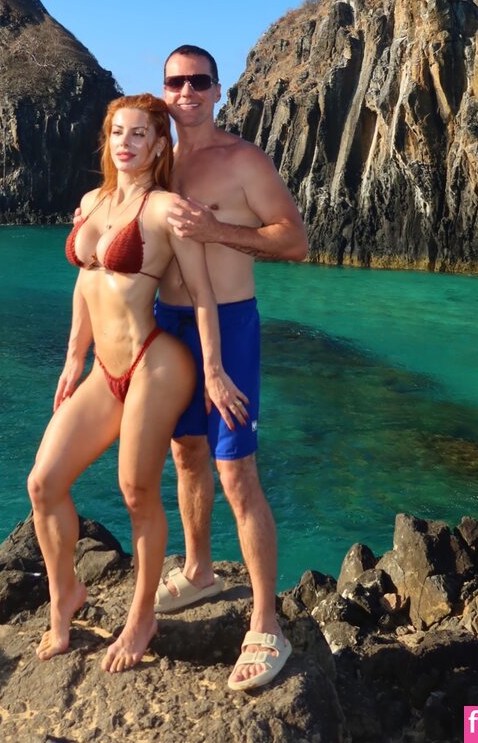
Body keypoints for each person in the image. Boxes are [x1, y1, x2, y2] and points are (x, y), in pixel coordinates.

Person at [27, 93, 236, 672]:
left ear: (159, 144)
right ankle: (64, 595)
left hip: (154, 362)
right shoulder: (91, 203)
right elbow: (85, 285)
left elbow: (202, 294)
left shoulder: (166, 209)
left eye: (140, 133)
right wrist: (73, 359)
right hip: (104, 369)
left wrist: (214, 369)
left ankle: (142, 617)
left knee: (136, 490)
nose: (126, 142)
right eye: (118, 131)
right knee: (43, 483)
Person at [153, 45, 308, 691]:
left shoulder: (244, 160)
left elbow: (294, 240)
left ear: (218, 91)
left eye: (199, 81)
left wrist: (219, 233)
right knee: (186, 453)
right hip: (167, 324)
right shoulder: (156, 161)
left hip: (231, 326)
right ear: (164, 91)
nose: (186, 92)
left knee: (236, 471)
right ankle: (198, 570)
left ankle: (267, 623)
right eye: (175, 82)